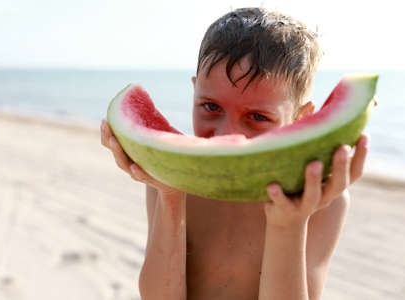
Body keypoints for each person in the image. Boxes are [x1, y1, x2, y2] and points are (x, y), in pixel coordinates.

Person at [101, 7, 369, 300]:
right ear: (194, 92)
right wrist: (170, 197)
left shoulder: (320, 199)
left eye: (257, 116)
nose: (228, 134)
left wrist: (289, 225)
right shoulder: (172, 177)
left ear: (301, 119)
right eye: (211, 107)